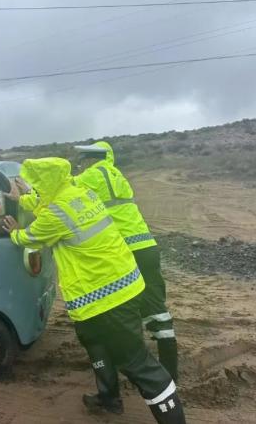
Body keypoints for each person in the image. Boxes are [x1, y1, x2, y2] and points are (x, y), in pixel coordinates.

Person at [3, 157, 185, 424]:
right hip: (117, 287)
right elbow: (47, 205)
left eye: (36, 184)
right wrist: (24, 198)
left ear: (47, 183)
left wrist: (14, 232)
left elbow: (31, 236)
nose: (35, 189)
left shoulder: (56, 214)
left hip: (107, 296)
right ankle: (109, 398)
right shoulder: (80, 192)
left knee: (136, 363)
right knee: (93, 340)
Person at [73, 141, 178, 381]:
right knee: (156, 308)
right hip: (146, 247)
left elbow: (61, 190)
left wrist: (25, 192)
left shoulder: (92, 175)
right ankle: (171, 372)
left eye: (82, 161)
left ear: (91, 159)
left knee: (121, 308)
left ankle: (135, 368)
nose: (80, 166)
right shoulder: (117, 175)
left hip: (126, 252)